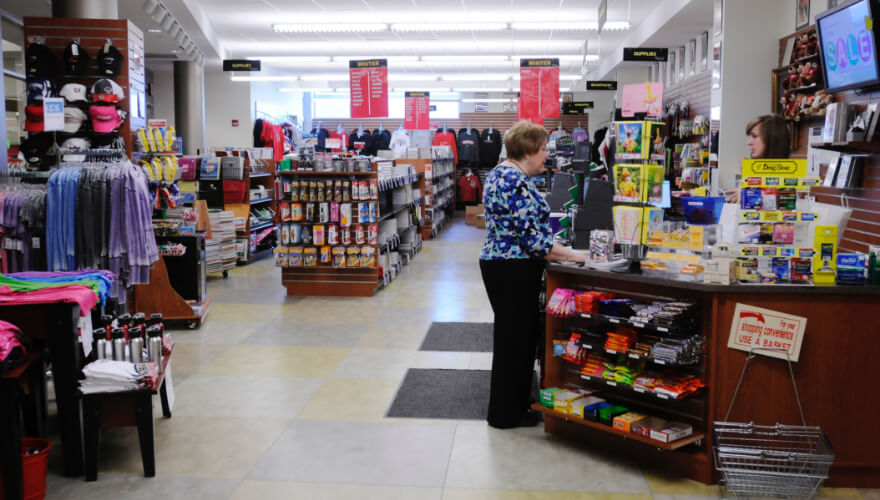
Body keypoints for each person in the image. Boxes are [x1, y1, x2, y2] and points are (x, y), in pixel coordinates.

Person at [479, 120, 586, 429]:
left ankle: (515, 406)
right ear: (527, 151)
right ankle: (505, 414)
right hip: (512, 268)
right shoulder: (514, 180)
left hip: (504, 264)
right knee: (516, 341)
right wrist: (575, 255)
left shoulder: (503, 172)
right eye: (542, 150)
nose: (545, 156)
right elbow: (534, 241)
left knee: (517, 339)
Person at [726, 114, 791, 202]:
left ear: (772, 140)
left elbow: (784, 205)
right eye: (749, 137)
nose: (749, 142)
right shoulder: (754, 171)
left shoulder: (789, 178)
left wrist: (749, 197)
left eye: (754, 136)